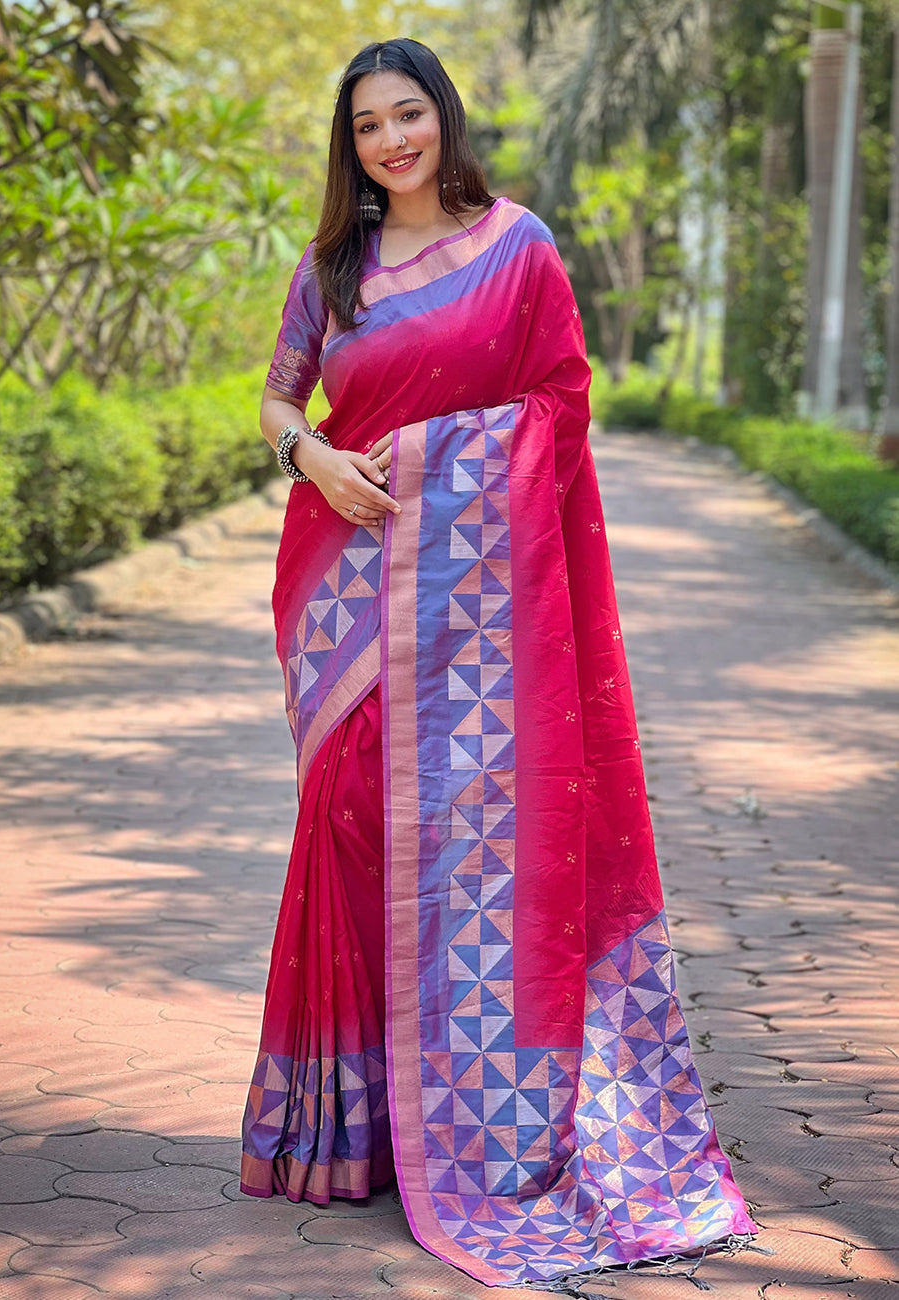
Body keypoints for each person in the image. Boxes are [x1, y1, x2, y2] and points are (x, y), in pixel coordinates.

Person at [240, 37, 754, 1292]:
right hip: (357, 595)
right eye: (367, 126)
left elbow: (561, 403)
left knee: (473, 845)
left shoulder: (517, 244)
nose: (390, 141)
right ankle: (348, 1127)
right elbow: (275, 402)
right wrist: (312, 456)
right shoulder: (333, 268)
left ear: (442, 119)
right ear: (349, 145)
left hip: (483, 611)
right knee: (349, 815)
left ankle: (485, 1113)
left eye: (407, 115)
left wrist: (436, 464)